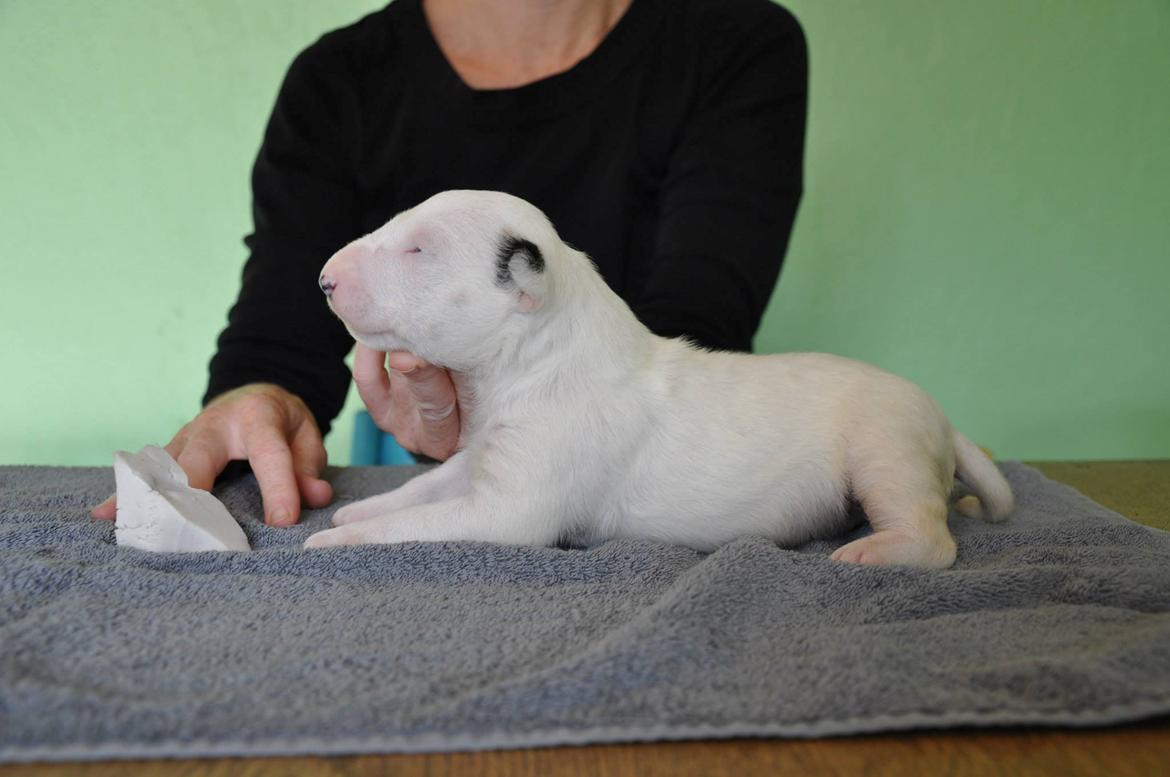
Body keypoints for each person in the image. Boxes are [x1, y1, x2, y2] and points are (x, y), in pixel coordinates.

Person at [92, 0, 808, 526]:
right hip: (456, 483)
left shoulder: (735, 45)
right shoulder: (337, 82)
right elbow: (281, 332)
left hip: (633, 485)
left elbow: (691, 341)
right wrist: (255, 398)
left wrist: (501, 409)